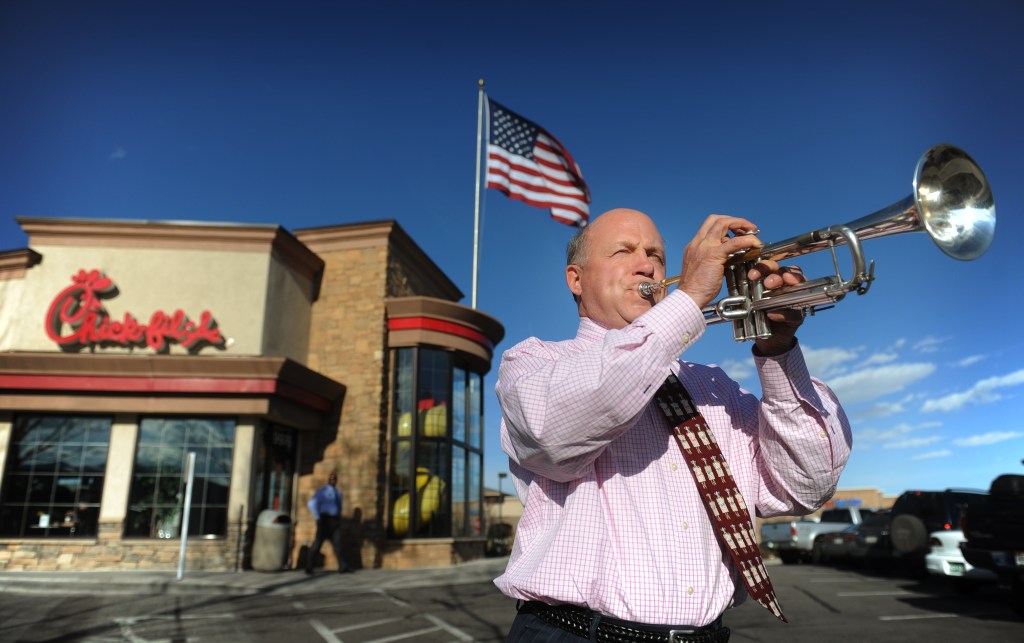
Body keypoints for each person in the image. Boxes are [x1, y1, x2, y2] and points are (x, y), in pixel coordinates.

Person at [495, 208, 852, 642]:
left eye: (656, 255)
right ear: (576, 279)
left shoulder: (713, 384)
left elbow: (803, 487)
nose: (646, 265)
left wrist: (778, 349)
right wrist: (691, 298)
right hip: (576, 633)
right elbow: (558, 432)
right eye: (624, 251)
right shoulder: (536, 362)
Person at [305, 472, 351, 574]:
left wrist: (338, 517)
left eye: (334, 479)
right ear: (328, 480)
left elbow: (339, 507)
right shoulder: (323, 491)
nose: (332, 480)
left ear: (336, 480)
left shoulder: (338, 493)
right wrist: (318, 517)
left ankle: (343, 566)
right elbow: (311, 503)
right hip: (324, 520)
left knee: (338, 544)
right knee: (318, 543)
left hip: (334, 521)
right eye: (331, 479)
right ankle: (309, 566)